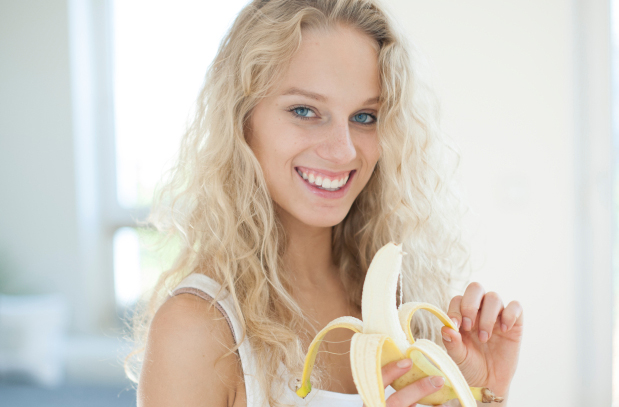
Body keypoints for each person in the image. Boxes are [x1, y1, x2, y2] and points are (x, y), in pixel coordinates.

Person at [125, 1, 524, 406]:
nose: (342, 151)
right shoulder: (197, 330)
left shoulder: (403, 298)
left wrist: (483, 394)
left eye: (365, 117)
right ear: (242, 120)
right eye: (305, 111)